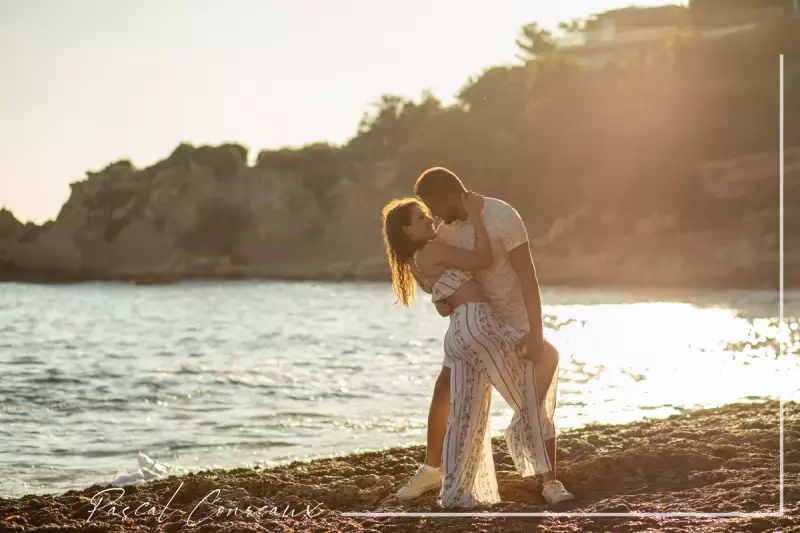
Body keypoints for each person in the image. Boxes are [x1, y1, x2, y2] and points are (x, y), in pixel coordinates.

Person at [394, 167, 574, 506]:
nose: (433, 216)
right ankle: (436, 470)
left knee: (534, 393)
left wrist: (536, 331)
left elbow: (527, 276)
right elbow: (434, 271)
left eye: (433, 206)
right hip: (476, 323)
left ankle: (547, 479)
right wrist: (442, 298)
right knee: (453, 394)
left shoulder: (501, 215)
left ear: (449, 196)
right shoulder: (444, 231)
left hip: (512, 319)